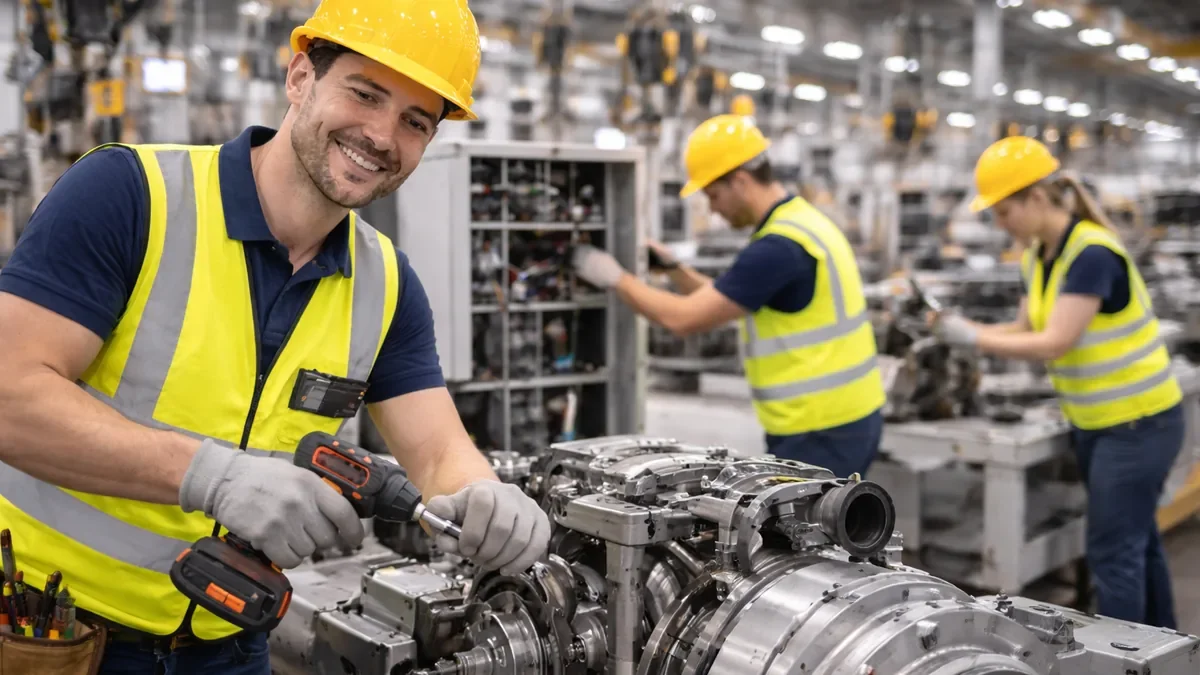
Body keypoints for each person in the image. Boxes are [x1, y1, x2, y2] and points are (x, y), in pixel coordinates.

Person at [0, 1, 550, 672]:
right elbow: (9, 394)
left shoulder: (386, 283)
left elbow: (439, 455)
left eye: (414, 120)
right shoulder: (131, 195)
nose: (381, 135)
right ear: (299, 78)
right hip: (54, 632)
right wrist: (210, 475)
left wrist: (487, 496)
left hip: (230, 639)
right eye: (365, 93)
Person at [933, 136, 1182, 629]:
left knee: (1113, 555)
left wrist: (973, 339)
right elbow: (1024, 329)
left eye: (1004, 213)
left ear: (1037, 198)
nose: (1001, 226)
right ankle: (1164, 647)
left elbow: (1054, 342)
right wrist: (958, 330)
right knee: (1138, 544)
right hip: (1098, 423)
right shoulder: (1037, 256)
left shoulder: (1091, 254)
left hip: (1138, 424)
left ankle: (1122, 660)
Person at [571, 114, 886, 478]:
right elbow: (726, 300)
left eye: (714, 195)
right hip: (844, 418)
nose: (713, 210)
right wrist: (675, 268)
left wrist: (612, 276)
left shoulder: (778, 248)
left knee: (804, 531)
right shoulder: (801, 223)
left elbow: (683, 319)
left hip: (820, 429)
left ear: (740, 180)